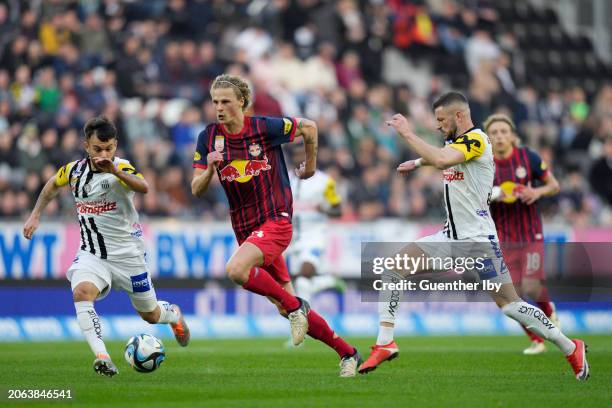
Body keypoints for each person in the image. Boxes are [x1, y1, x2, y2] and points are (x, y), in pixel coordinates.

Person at [358, 92, 589, 381]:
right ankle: (385, 342)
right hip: (451, 237)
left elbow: (444, 160)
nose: (439, 126)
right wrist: (417, 163)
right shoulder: (457, 143)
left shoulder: (477, 139)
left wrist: (407, 133)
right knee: (393, 267)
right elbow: (445, 159)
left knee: (511, 305)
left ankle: (570, 346)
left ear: (459, 116)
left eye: (442, 120)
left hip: (477, 243)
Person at [190, 74, 361, 377]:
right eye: (215, 101)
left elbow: (309, 126)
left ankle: (296, 309)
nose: (219, 108)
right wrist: (211, 169)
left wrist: (309, 166)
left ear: (241, 102)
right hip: (245, 229)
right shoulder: (209, 137)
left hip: (276, 219)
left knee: (236, 270)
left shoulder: (263, 128)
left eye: (225, 101)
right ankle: (348, 353)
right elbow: (196, 189)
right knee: (285, 304)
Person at [22, 116, 190, 377]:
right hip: (92, 254)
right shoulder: (74, 171)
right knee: (81, 293)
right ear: (86, 146)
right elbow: (52, 185)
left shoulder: (121, 168)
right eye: (98, 149)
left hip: (128, 256)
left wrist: (115, 171)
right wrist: (35, 214)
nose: (104, 154)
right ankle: (102, 356)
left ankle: (174, 315)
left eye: (109, 148)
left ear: (115, 146)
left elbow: (144, 187)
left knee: (150, 315)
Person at [485, 113, 561, 354]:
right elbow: (474, 198)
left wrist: (536, 193)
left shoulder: (528, 158)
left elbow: (554, 185)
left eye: (503, 132)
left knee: (531, 286)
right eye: (494, 133)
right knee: (509, 297)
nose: (499, 136)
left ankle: (549, 316)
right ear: (488, 138)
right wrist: (494, 194)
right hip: (503, 239)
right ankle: (537, 339)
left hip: (530, 235)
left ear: (513, 136)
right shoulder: (484, 165)